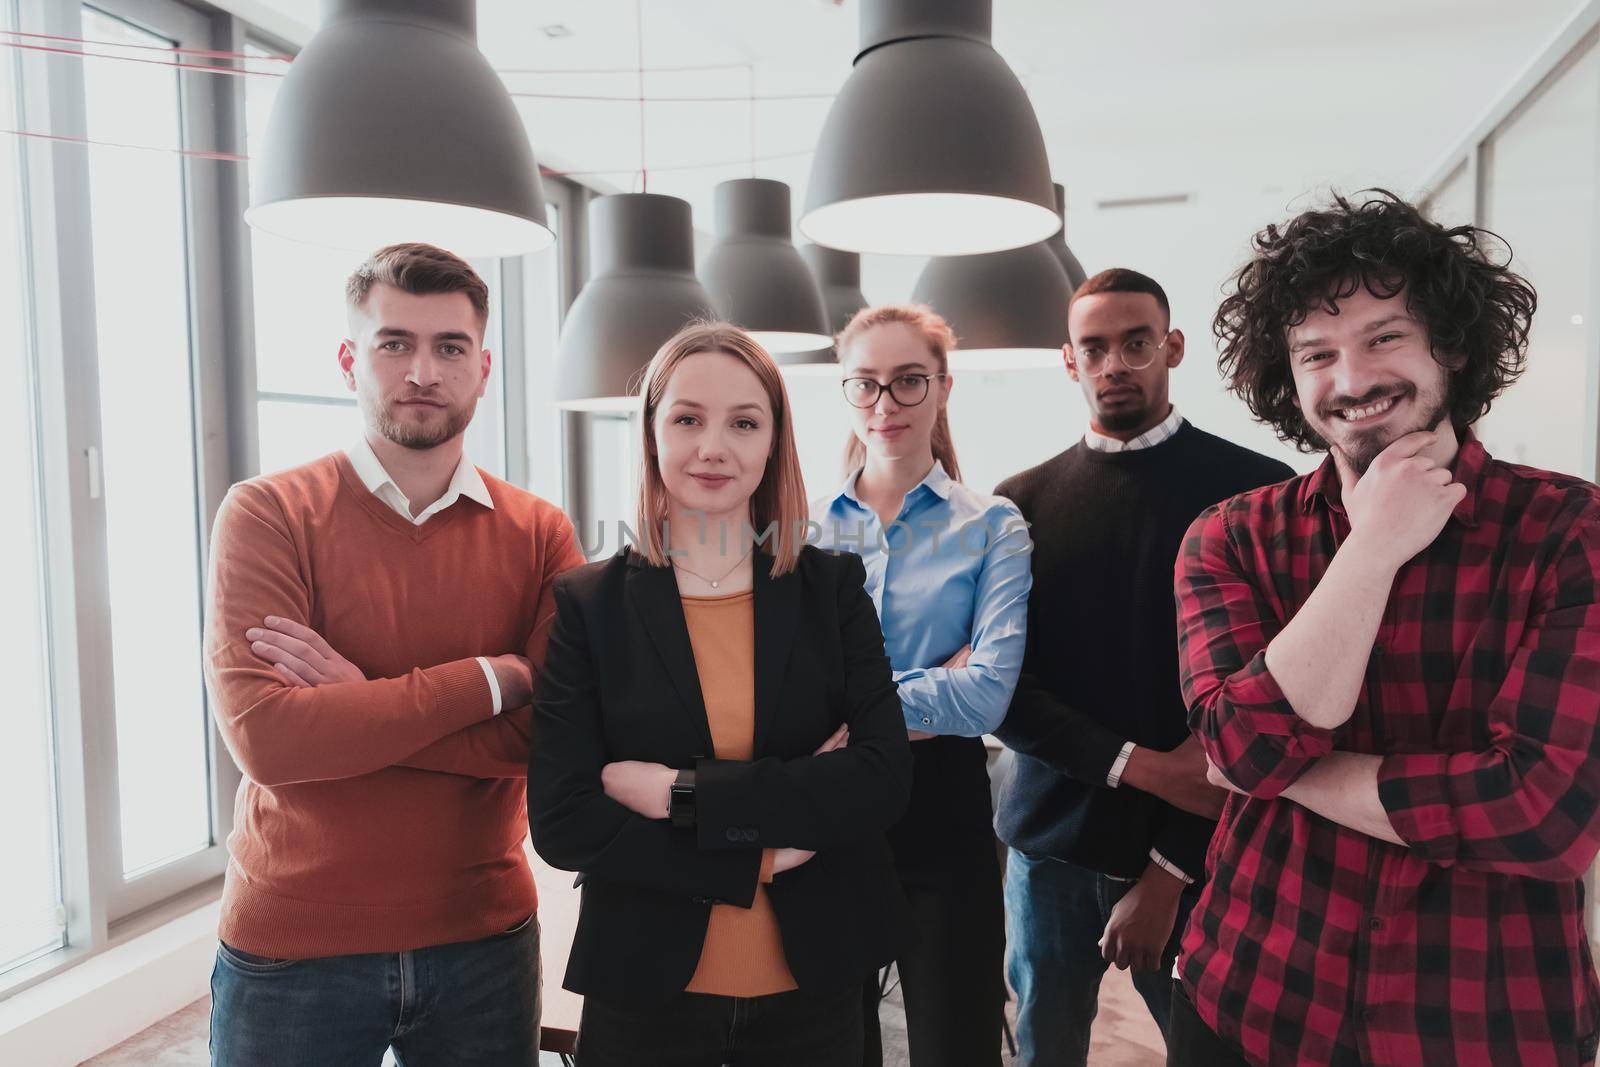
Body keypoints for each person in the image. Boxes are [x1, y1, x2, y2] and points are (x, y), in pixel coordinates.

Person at [1170, 190, 1600, 1066]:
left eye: (1385, 337)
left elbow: (1544, 813)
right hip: (1251, 996)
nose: (1352, 379)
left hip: (1482, 1022)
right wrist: (1372, 553)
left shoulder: (1570, 531)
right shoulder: (1230, 535)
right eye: (1316, 352)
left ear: (1453, 344)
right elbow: (1243, 752)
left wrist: (1289, 773)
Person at [202, 243, 583, 1066]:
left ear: (482, 369)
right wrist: (496, 676)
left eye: (449, 347)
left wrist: (359, 703)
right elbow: (271, 740)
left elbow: (558, 737)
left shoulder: (541, 533)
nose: (422, 370)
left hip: (482, 937)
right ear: (350, 360)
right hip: (294, 944)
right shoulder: (267, 515)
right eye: (393, 343)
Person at [528, 321, 913, 1067]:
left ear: (774, 441)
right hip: (646, 988)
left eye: (743, 422)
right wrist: (763, 853)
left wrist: (677, 791)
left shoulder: (830, 590)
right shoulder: (588, 603)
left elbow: (879, 780)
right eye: (687, 418)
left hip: (816, 984)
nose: (714, 446)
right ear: (650, 434)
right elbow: (565, 818)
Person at [992, 269, 1293, 1066]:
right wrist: (1147, 768)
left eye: (1136, 342)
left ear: (1173, 347)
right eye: (1094, 347)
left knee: (1217, 1054)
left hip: (1202, 855)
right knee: (1041, 1054)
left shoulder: (1255, 494)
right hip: (1048, 852)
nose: (1115, 362)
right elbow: (1005, 694)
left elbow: (1269, 705)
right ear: (1068, 360)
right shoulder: (1017, 501)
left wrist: (1168, 870)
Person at [813, 303, 1031, 1067]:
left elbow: (986, 697)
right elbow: (789, 696)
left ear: (943, 386)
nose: (886, 404)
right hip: (829, 814)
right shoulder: (802, 530)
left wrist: (857, 704)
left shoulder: (993, 525)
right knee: (835, 1047)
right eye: (866, 384)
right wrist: (935, 678)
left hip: (945, 811)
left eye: (908, 382)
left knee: (954, 1048)